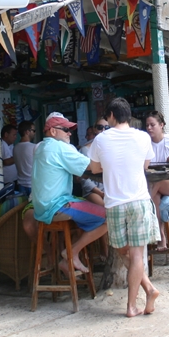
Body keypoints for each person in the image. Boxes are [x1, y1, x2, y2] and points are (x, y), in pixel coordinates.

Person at [88, 98, 161, 317]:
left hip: (115, 203)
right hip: (139, 200)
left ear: (110, 115)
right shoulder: (142, 137)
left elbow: (94, 169)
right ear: (128, 116)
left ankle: (131, 306)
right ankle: (148, 288)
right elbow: (146, 165)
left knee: (123, 251)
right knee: (134, 254)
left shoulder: (100, 140)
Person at [30, 112, 107, 275]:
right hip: (57, 205)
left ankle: (71, 255)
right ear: (52, 131)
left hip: (41, 209)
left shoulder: (41, 147)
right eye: (65, 129)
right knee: (110, 217)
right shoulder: (59, 147)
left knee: (87, 210)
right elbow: (91, 167)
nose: (69, 133)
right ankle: (71, 253)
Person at [145, 111, 169, 251]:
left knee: (158, 180)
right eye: (147, 125)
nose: (149, 128)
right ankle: (160, 236)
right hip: (155, 186)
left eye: (152, 125)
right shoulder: (146, 143)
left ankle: (145, 204)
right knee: (155, 192)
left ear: (161, 125)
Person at [13, 119, 37, 195]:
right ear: (27, 132)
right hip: (32, 184)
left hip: (21, 184)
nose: (34, 133)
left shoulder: (15, 147)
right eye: (33, 130)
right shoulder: (34, 147)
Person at [0, 124, 19, 188]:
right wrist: (19, 156)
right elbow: (6, 161)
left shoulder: (10, 145)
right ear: (6, 135)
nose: (15, 137)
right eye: (14, 135)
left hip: (13, 179)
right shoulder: (2, 144)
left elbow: (12, 158)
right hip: (6, 181)